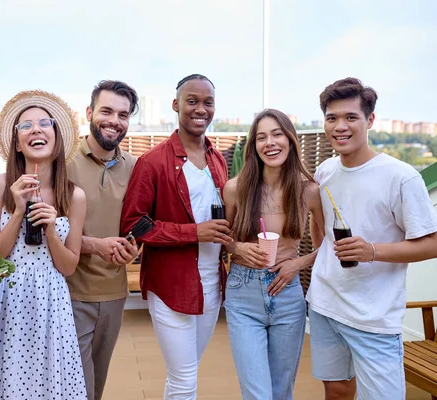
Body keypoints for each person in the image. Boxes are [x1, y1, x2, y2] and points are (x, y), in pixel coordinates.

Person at [307, 77, 437, 399]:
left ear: (370, 120)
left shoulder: (401, 177)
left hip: (373, 317)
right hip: (325, 306)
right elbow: (322, 234)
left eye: (351, 117)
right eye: (332, 117)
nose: (340, 126)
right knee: (336, 392)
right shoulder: (324, 171)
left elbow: (432, 242)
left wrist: (372, 251)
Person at [120, 74, 231, 399]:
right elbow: (134, 224)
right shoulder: (152, 162)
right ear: (176, 105)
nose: (200, 109)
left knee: (185, 373)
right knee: (184, 379)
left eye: (207, 102)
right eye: (192, 101)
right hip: (171, 286)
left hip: (212, 285)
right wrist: (194, 233)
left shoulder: (217, 159)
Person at [0, 90, 87, 399]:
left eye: (44, 123)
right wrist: (19, 211)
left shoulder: (74, 196)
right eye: (25, 126)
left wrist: (51, 230)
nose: (35, 129)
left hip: (52, 301)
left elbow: (68, 266)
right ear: (17, 142)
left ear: (57, 136)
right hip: (8, 300)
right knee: (10, 382)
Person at [222, 109, 325, 400]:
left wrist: (298, 263)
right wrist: (238, 247)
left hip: (287, 294)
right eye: (261, 137)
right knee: (257, 393)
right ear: (253, 146)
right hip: (243, 295)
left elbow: (328, 244)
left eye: (277, 134)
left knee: (281, 392)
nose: (270, 143)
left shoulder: (309, 191)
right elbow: (221, 238)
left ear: (290, 139)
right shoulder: (234, 189)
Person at [66, 80, 140, 400]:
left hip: (114, 294)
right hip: (71, 293)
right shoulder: (63, 163)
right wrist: (95, 245)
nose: (114, 120)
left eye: (123, 114)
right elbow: (46, 233)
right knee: (76, 389)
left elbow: (140, 224)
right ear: (89, 113)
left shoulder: (137, 167)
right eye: (106, 111)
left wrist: (136, 247)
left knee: (95, 389)